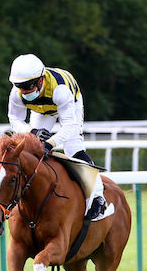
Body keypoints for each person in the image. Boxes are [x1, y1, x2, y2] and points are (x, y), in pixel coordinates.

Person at [7, 53, 109, 220]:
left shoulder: (60, 90)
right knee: (32, 149)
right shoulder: (16, 93)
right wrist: (32, 132)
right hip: (42, 110)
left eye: (28, 85)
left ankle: (98, 196)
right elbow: (14, 119)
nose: (24, 91)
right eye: (19, 86)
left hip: (69, 104)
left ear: (40, 80)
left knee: (73, 149)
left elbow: (70, 126)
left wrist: (50, 143)